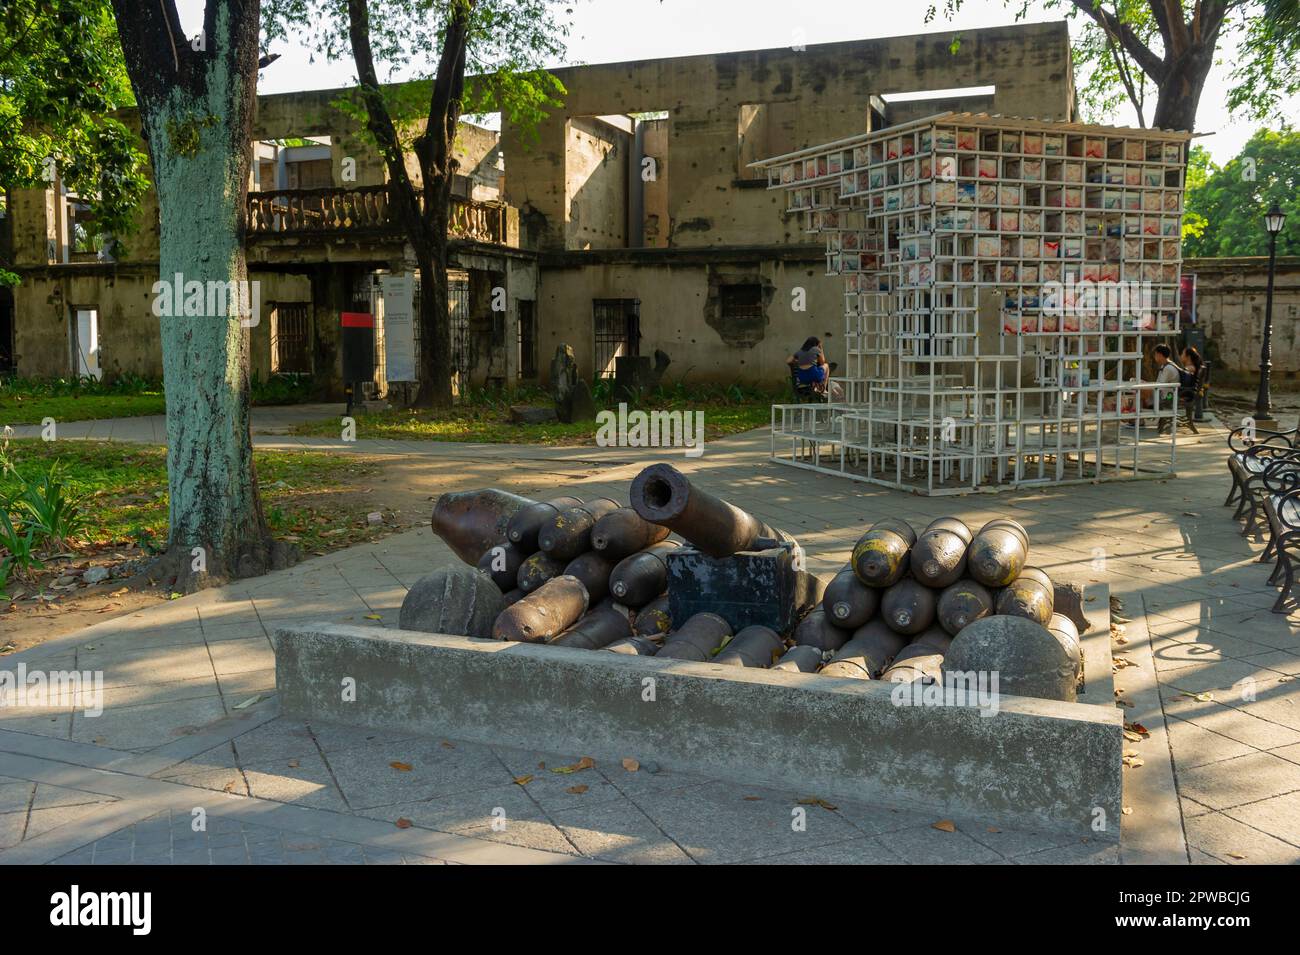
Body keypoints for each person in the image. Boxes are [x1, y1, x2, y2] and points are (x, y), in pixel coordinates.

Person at [1152, 344, 1183, 433]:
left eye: (1155, 354)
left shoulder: (1168, 368)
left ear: (1160, 355)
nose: (1154, 357)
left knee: (1140, 392)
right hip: (1163, 392)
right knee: (1141, 390)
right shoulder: (1164, 366)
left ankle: (1138, 420)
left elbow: (1160, 385)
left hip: (1168, 396)